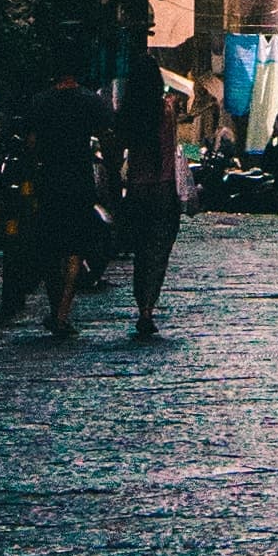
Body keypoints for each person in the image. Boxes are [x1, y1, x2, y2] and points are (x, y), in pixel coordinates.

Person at [25, 65, 114, 340]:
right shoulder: (90, 101)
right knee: (75, 248)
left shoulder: (41, 101)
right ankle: (62, 312)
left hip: (49, 182)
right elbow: (107, 136)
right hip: (79, 181)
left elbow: (31, 143)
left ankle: (56, 308)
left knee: (50, 248)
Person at [118, 45, 184, 340]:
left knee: (141, 252)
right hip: (163, 188)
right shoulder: (166, 111)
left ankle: (141, 305)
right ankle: (148, 307)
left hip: (137, 189)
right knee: (158, 251)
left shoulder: (129, 113)